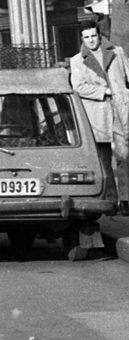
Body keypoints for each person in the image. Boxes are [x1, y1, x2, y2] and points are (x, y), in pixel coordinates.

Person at [69, 17, 129, 208]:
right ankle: (110, 201)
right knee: (103, 160)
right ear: (82, 39)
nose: (91, 40)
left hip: (121, 111)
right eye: (86, 37)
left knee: (124, 156)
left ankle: (127, 200)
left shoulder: (117, 52)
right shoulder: (77, 61)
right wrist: (103, 91)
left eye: (93, 36)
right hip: (97, 116)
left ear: (99, 35)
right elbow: (78, 86)